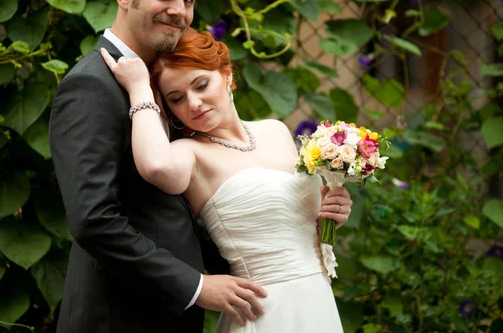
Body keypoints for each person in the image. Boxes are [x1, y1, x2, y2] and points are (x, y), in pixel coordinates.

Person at [49, 0, 270, 333]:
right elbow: (93, 219)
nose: (179, 11)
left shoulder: (167, 84)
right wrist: (196, 286)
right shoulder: (90, 86)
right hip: (119, 317)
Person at [99, 27, 354, 332]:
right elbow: (154, 166)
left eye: (201, 85)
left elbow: (294, 224)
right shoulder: (189, 154)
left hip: (317, 300)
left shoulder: (276, 130)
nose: (193, 103)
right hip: (262, 308)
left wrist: (332, 214)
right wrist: (140, 89)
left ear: (228, 75)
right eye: (177, 98)